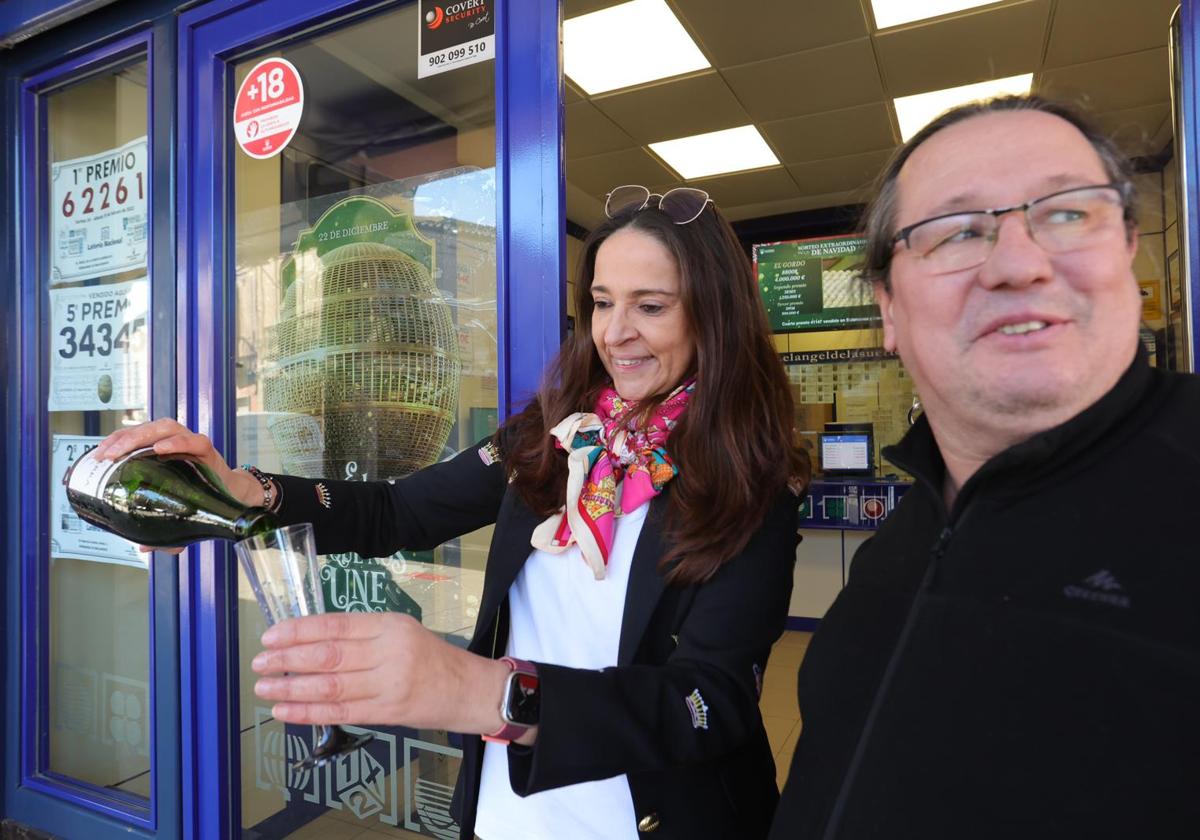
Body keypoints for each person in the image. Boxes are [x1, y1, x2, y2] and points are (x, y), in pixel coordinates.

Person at [96, 185, 809, 839]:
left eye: (650, 306)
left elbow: (709, 704)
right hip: (508, 811)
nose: (615, 332)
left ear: (713, 315)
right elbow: (398, 513)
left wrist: (487, 694)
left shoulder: (752, 482)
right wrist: (244, 491)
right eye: (600, 300)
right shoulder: (556, 436)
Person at [769, 95, 1200, 839]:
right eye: (956, 232)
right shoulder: (902, 543)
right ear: (889, 312)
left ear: (1128, 250)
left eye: (1068, 213)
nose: (1019, 263)